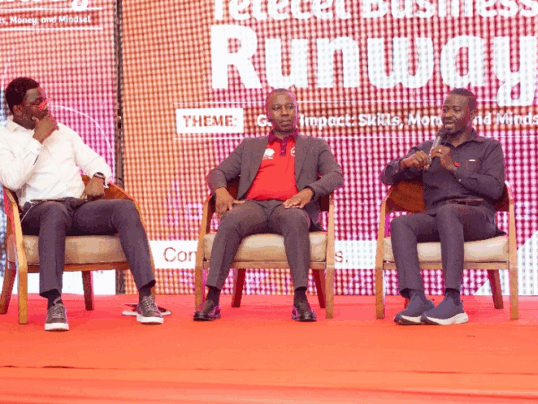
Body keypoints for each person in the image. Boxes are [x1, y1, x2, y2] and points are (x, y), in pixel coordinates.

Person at [0, 77, 163, 331]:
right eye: (37, 102)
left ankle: (146, 297)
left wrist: (98, 177)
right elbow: (11, 179)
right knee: (54, 211)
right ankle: (54, 304)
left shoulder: (63, 132)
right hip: (37, 211)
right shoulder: (4, 138)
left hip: (77, 208)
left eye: (45, 99)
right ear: (19, 109)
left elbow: (96, 160)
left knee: (125, 208)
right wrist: (37, 140)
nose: (45, 106)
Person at [194, 89, 343, 322]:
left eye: (289, 107)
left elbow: (335, 175)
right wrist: (220, 190)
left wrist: (309, 191)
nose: (284, 113)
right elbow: (217, 172)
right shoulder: (250, 146)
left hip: (290, 207)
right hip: (253, 207)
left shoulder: (315, 145)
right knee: (231, 219)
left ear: (297, 111)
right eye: (277, 108)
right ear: (267, 115)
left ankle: (300, 299)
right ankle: (212, 298)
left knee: (295, 219)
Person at [380, 88, 505, 326]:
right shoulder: (428, 148)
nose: (447, 114)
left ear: (472, 115)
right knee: (401, 224)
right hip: (438, 217)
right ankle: (417, 299)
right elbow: (386, 176)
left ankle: (453, 301)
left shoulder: (489, 147)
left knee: (449, 212)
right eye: (445, 109)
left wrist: (454, 168)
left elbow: (495, 189)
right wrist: (405, 163)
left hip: (478, 217)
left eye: (456, 110)